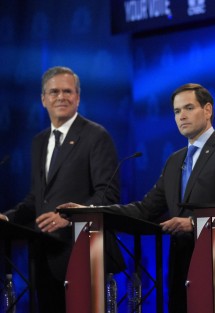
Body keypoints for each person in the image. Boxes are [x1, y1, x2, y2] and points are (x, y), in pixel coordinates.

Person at [61, 83, 215, 313]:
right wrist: (89, 211)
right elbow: (144, 210)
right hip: (181, 268)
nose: (181, 116)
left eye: (188, 108)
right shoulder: (174, 161)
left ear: (208, 110)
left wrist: (192, 224)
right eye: (176, 111)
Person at [0, 66, 123, 312]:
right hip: (43, 255)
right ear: (43, 99)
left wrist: (68, 218)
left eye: (68, 91)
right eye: (54, 91)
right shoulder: (39, 141)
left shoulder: (96, 136)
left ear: (78, 97)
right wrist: (8, 218)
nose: (61, 97)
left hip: (83, 253)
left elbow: (107, 194)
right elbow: (37, 198)